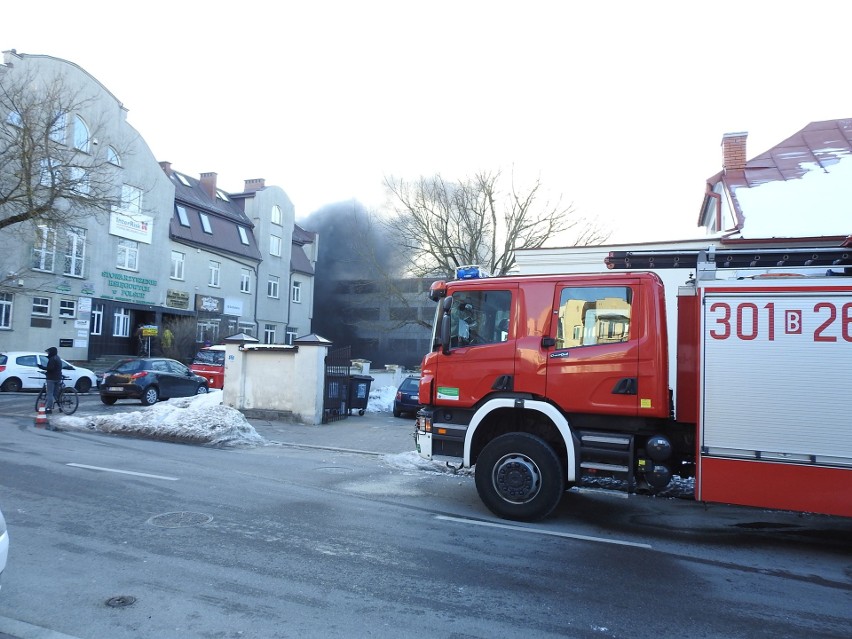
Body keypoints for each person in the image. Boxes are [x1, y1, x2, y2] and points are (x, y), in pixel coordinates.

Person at [38, 346, 63, 415]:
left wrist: (42, 367)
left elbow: (50, 368)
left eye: (48, 352)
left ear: (51, 352)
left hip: (51, 378)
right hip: (58, 377)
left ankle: (49, 408)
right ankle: (60, 407)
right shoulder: (58, 358)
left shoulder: (52, 359)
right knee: (56, 394)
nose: (48, 353)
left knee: (50, 393)